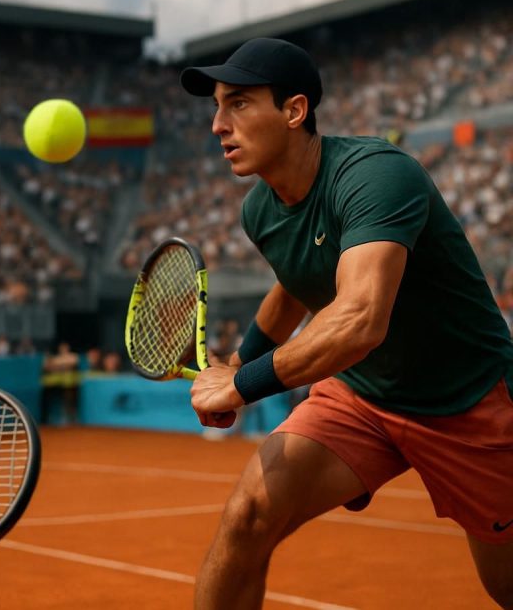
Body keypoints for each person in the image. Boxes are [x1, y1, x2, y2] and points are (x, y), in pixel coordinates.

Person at [179, 37, 513, 608]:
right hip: (363, 397)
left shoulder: (376, 175)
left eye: (237, 103)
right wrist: (242, 358)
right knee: (247, 517)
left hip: (470, 402)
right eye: (215, 106)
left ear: (294, 111)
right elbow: (293, 286)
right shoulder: (259, 208)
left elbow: (358, 320)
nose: (217, 124)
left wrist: (241, 383)